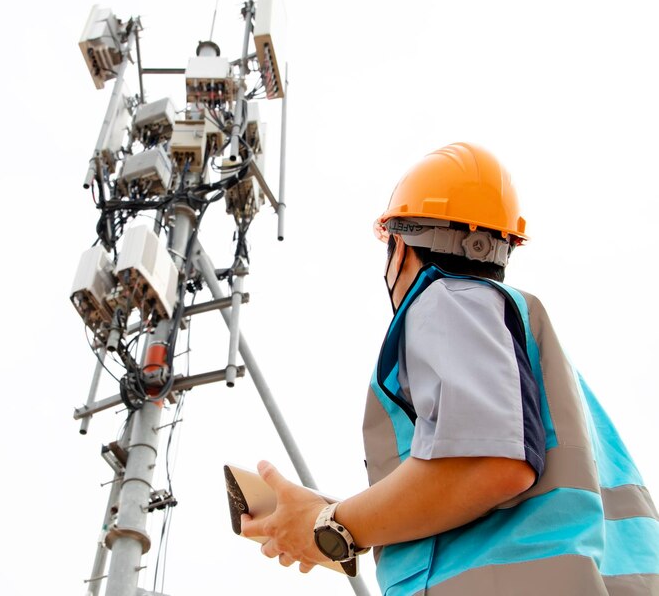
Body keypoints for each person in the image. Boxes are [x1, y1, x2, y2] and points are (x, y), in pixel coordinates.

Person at [239, 142, 659, 595]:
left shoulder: (445, 302)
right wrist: (335, 522)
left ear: (398, 248)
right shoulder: (545, 366)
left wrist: (328, 526)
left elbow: (490, 463)